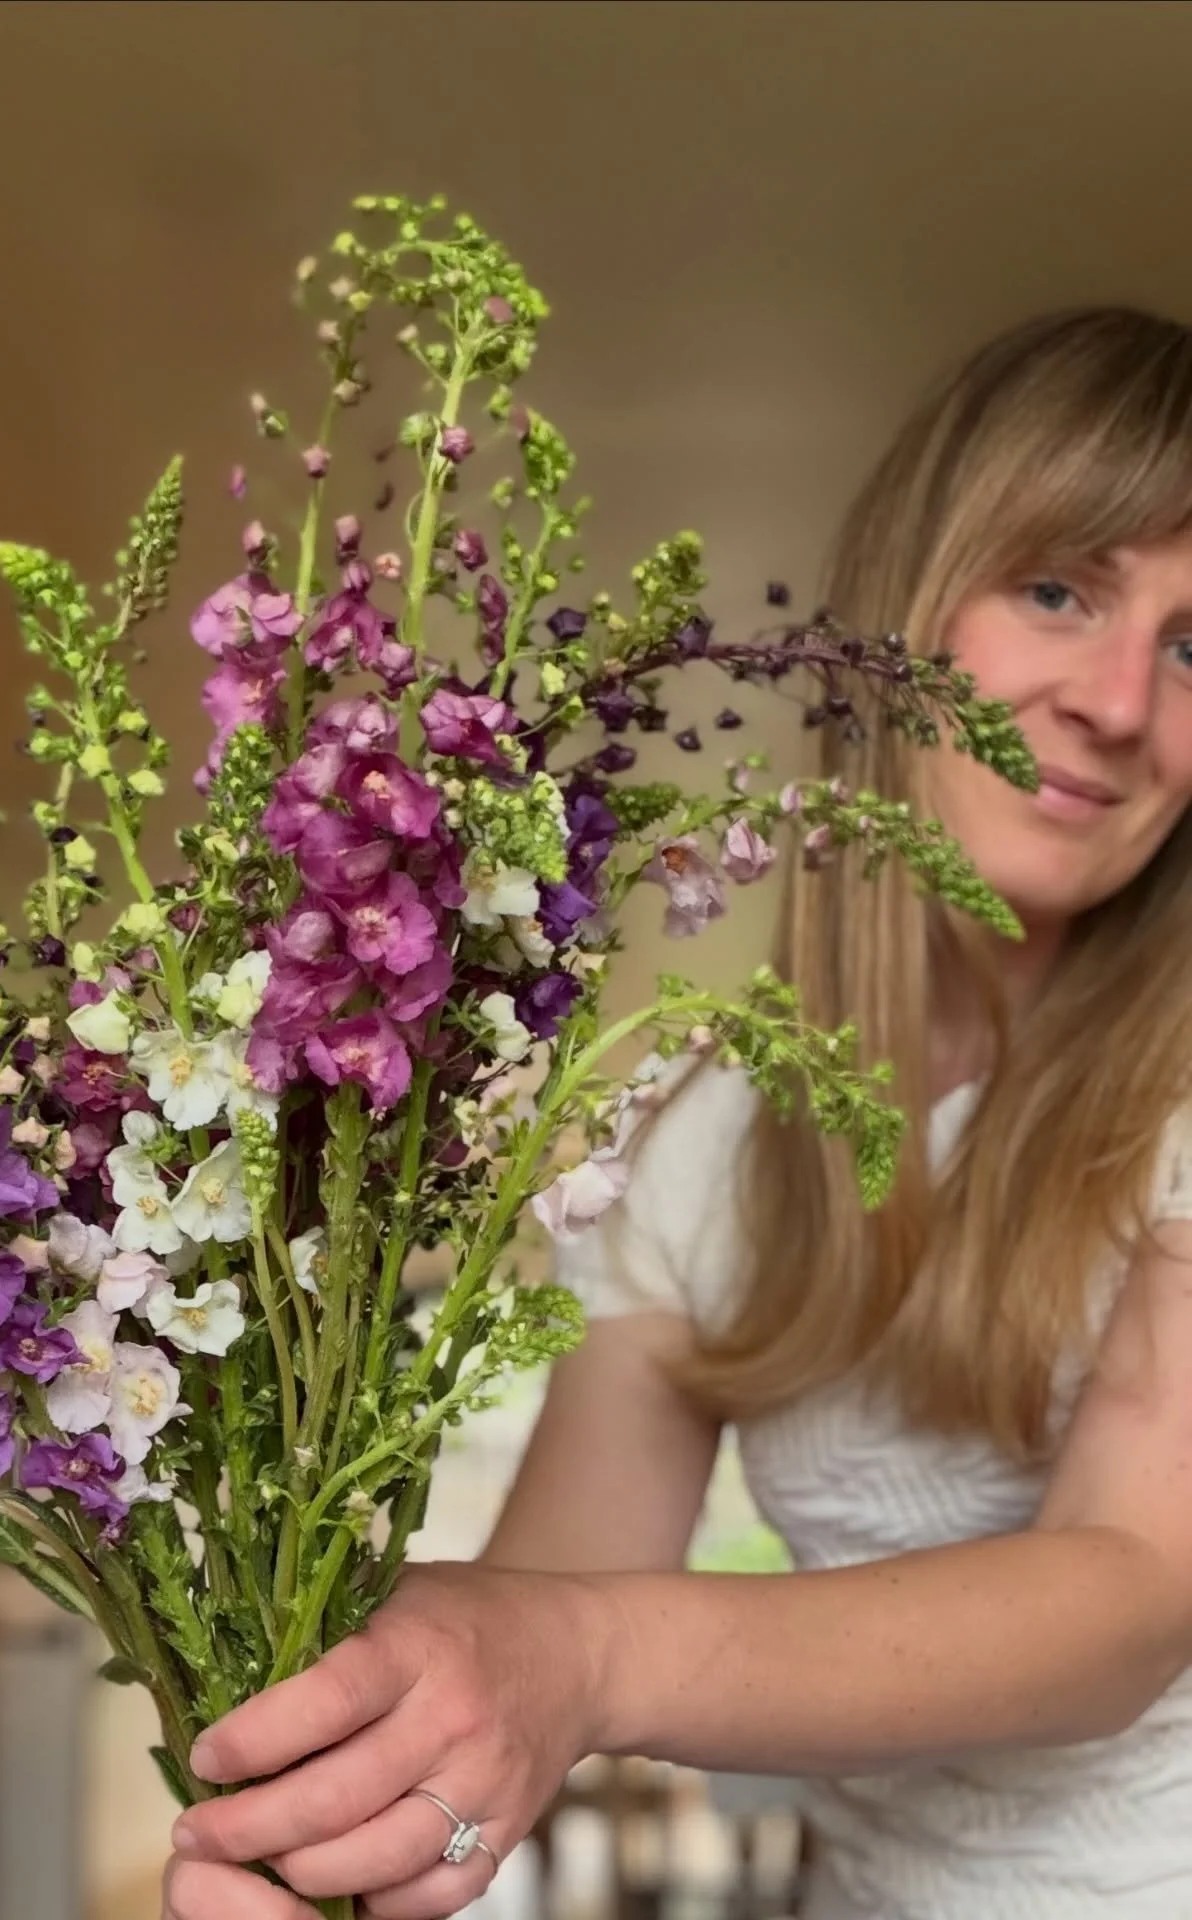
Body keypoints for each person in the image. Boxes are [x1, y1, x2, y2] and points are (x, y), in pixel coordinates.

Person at [162, 307, 1192, 1920]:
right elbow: (542, 1602)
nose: (1121, 701)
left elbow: (1130, 1597)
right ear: (906, 604)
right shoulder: (700, 1135)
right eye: (1058, 588)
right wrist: (347, 1796)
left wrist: (578, 1659)